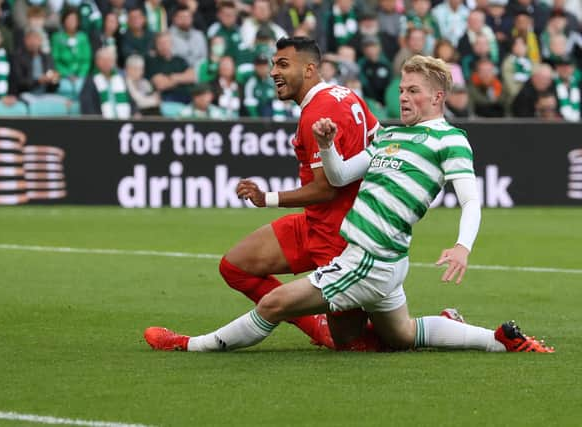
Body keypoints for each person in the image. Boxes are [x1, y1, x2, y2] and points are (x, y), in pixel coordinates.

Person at [144, 54, 555, 354]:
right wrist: (326, 145)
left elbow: (471, 200)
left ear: (438, 97)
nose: (404, 97)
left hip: (369, 260)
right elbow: (340, 177)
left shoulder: (449, 140)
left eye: (414, 91)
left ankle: (187, 345)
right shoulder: (390, 134)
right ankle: (498, 341)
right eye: (402, 89)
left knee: (273, 304)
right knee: (401, 337)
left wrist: (463, 245)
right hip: (386, 261)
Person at [148, 36, 387, 351]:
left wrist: (267, 198)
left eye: (283, 64)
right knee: (235, 266)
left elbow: (326, 189)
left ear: (310, 69)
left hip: (339, 238)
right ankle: (317, 326)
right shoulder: (347, 95)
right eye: (274, 64)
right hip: (317, 224)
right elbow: (380, 139)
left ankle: (440, 327)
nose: (273, 71)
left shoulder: (317, 114)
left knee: (353, 342)